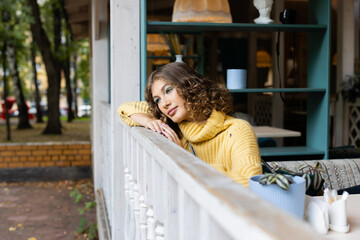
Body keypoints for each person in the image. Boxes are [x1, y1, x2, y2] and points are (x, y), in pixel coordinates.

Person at [118, 62, 262, 188]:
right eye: (157, 100)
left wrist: (186, 160)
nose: (164, 104)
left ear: (189, 86)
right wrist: (149, 121)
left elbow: (248, 183)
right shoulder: (176, 129)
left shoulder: (237, 130)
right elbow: (125, 109)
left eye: (168, 91)